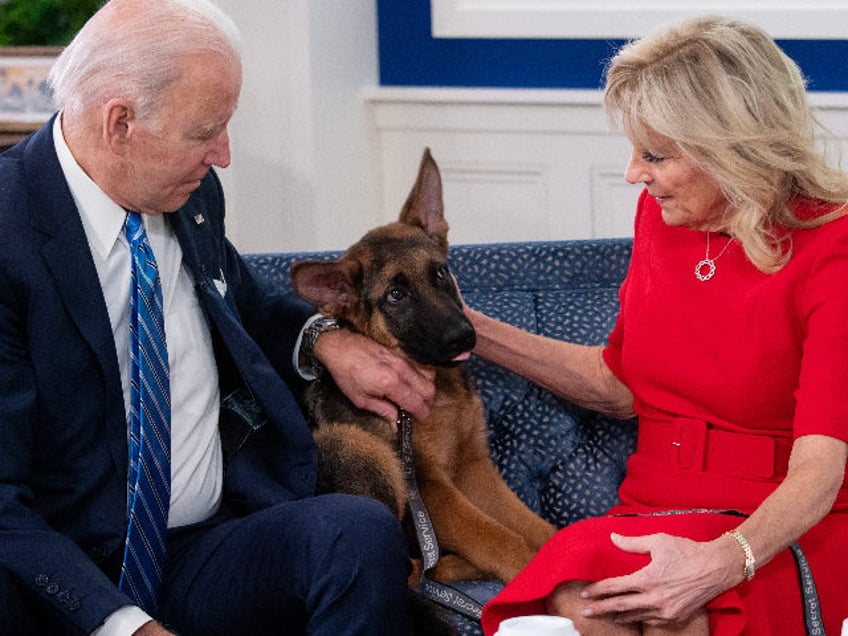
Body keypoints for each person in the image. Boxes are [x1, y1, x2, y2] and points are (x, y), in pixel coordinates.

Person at [0, 0, 437, 634]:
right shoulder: (10, 232)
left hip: (200, 549)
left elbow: (245, 306)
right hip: (60, 579)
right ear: (119, 122)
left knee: (355, 531)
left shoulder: (189, 193)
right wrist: (126, 625)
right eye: (205, 130)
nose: (224, 154)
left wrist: (325, 341)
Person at [472, 15, 848, 636]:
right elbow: (620, 386)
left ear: (730, 147)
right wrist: (469, 327)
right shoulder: (662, 215)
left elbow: (820, 470)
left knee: (681, 615)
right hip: (655, 505)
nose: (633, 174)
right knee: (584, 596)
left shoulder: (833, 244)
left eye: (655, 155)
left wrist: (724, 561)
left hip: (782, 524)